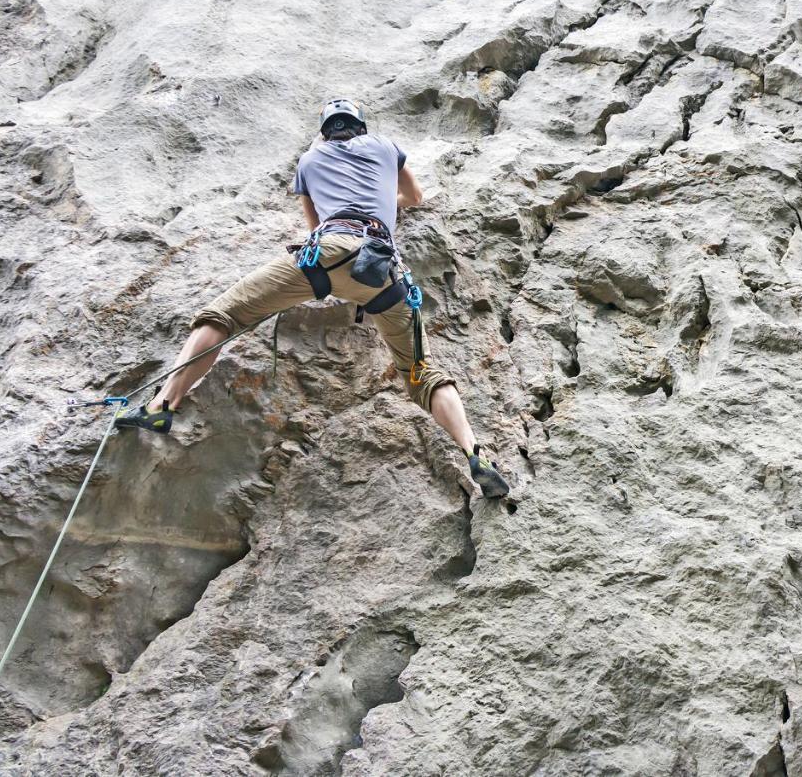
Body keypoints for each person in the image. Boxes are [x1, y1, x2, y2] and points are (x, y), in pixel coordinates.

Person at [114, 98, 511, 497]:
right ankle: (475, 452)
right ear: (361, 126)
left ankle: (162, 405)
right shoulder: (385, 146)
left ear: (325, 131)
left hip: (325, 256)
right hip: (381, 272)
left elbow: (313, 226)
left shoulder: (309, 159)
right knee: (421, 374)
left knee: (222, 315)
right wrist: (384, 204)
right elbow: (416, 196)